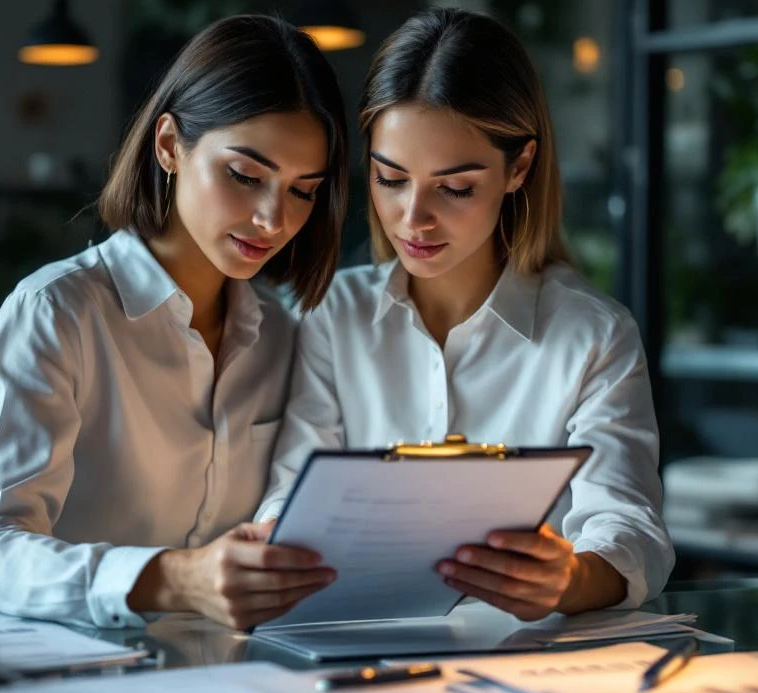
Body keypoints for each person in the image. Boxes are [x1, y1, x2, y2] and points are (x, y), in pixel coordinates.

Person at [257, 8, 674, 621]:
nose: (413, 218)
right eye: (390, 179)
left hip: (530, 664)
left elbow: (628, 522)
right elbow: (292, 495)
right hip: (355, 648)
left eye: (454, 188)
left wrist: (570, 579)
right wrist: (271, 543)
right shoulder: (332, 316)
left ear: (520, 168)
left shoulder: (591, 334)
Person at [0, 15, 348, 630]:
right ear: (168, 147)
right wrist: (176, 579)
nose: (272, 218)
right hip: (56, 684)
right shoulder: (57, 313)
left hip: (223, 684)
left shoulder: (285, 338)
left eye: (303, 190)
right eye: (245, 175)